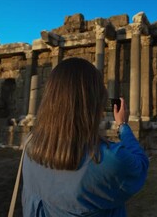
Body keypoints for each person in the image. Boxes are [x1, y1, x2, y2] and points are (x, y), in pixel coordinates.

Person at [22, 57, 149, 217]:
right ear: (95, 103)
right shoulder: (110, 159)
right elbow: (140, 165)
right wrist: (122, 125)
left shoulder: (30, 144)